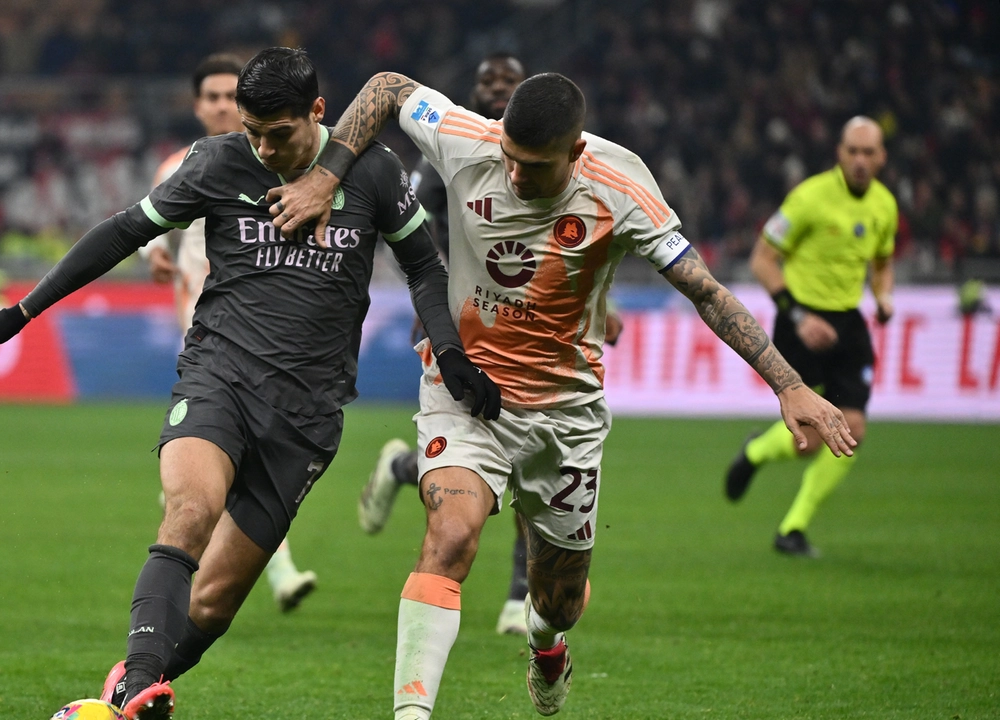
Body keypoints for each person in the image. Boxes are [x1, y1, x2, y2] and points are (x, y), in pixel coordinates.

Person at [269, 71, 855, 718]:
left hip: (566, 413)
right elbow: (386, 87)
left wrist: (790, 384)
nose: (516, 175)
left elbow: (708, 293)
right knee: (451, 537)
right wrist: (325, 176)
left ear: (575, 153)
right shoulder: (470, 140)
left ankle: (547, 647)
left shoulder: (621, 188)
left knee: (560, 601)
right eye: (509, 160)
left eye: (535, 165)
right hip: (468, 391)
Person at [0, 48, 500, 719]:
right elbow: (125, 232)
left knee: (212, 605)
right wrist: (22, 311)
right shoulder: (218, 163)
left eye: (280, 134)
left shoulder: (375, 172)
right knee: (189, 511)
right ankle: (139, 698)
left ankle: (128, 683)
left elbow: (424, 267)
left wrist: (448, 350)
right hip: (219, 378)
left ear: (318, 112)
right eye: (254, 134)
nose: (266, 149)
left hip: (307, 416)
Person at [359, 52, 624, 637]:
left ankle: (519, 595)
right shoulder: (451, 152)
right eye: (488, 82)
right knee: (483, 469)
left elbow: (568, 251)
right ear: (478, 92)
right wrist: (434, 306)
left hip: (531, 335)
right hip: (464, 333)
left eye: (508, 81)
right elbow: (412, 233)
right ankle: (405, 471)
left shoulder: (548, 165)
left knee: (532, 464)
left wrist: (604, 307)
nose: (498, 88)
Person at [141, 52, 319, 612]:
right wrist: (160, 261)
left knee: (225, 474)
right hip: (209, 341)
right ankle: (257, 572)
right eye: (211, 97)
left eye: (228, 96)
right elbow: (156, 244)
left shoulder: (294, 164)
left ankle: (200, 579)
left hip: (271, 345)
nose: (220, 105)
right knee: (215, 474)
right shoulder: (181, 167)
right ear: (198, 107)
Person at [723, 116, 897, 558]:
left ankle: (792, 529)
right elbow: (763, 260)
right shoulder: (808, 198)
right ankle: (758, 451)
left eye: (868, 153)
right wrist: (798, 316)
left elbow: (881, 261)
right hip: (801, 322)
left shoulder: (884, 205)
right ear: (840, 153)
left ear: (881, 157)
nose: (860, 160)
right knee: (810, 440)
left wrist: (883, 296)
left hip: (848, 324)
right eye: (852, 151)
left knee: (851, 429)